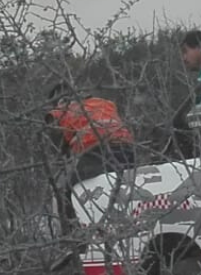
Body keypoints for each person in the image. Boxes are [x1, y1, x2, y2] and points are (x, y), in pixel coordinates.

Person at [44, 82, 136, 269]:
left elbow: (59, 146)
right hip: (127, 151)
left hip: (99, 153)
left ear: (60, 101)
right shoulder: (103, 102)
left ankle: (73, 241)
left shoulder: (63, 110)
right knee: (119, 195)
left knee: (65, 193)